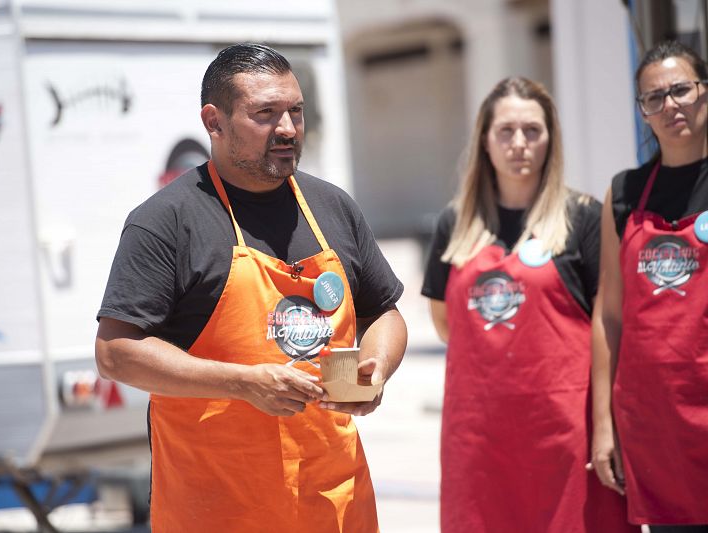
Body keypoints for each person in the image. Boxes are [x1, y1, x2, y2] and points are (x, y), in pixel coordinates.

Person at [95, 43, 407, 532]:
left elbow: (383, 312)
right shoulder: (166, 222)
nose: (287, 129)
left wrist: (377, 367)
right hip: (217, 509)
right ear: (213, 121)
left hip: (335, 504)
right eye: (265, 114)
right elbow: (116, 352)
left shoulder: (333, 207)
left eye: (295, 112)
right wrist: (243, 382)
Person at [422, 77, 635, 532]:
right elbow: (445, 323)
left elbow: (611, 326)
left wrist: (605, 428)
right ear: (484, 140)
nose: (519, 143)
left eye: (533, 131)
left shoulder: (584, 217)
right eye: (506, 131)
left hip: (566, 435)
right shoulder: (452, 224)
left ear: (550, 139)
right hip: (479, 439)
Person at [591, 40, 708, 532]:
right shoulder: (623, 194)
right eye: (653, 98)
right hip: (654, 423)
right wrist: (603, 425)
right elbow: (609, 314)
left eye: (680, 90)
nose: (669, 106)